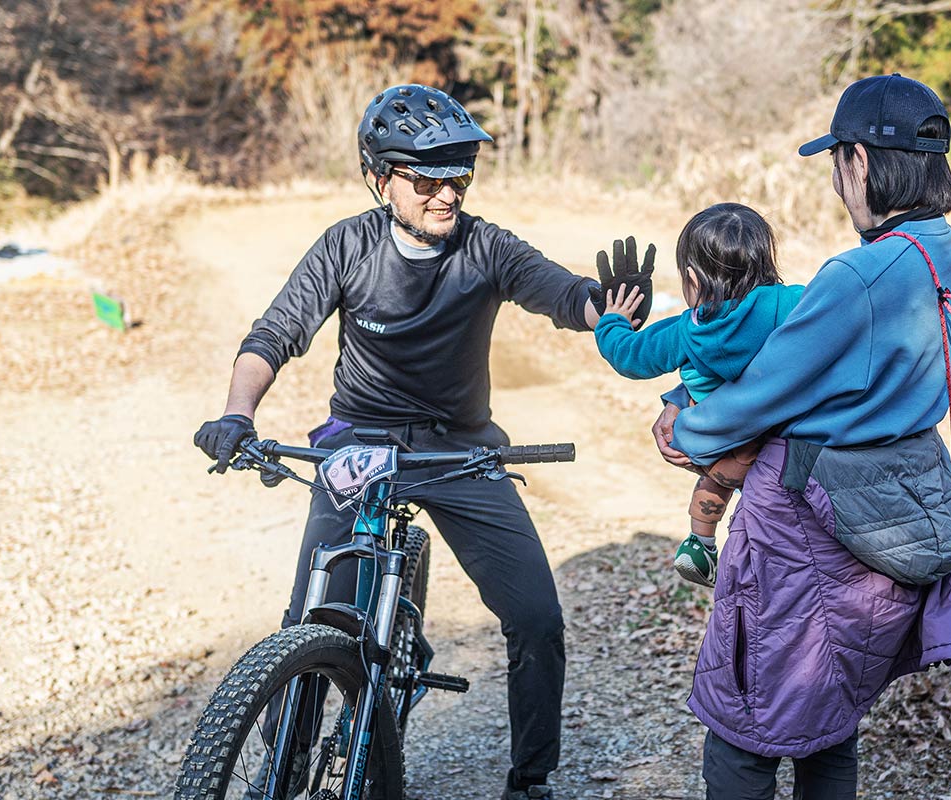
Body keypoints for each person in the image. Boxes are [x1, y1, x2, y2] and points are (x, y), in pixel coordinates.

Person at [192, 83, 654, 800]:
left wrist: (609, 307)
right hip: (360, 443)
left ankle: (531, 780)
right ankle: (284, 767)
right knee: (309, 616)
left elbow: (563, 295)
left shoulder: (486, 246)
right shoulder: (348, 244)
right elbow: (274, 335)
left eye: (460, 176)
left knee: (537, 618)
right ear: (381, 178)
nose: (448, 194)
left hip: (460, 449)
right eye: (427, 178)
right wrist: (236, 414)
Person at [649, 74, 951, 799]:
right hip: (888, 508)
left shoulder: (856, 275)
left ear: (859, 161)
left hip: (804, 528)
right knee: (831, 718)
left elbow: (766, 389)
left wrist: (687, 428)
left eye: (836, 163)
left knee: (742, 730)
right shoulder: (940, 247)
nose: (835, 182)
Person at [593, 203, 804, 588]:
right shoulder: (789, 303)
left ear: (691, 277)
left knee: (713, 484)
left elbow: (630, 356)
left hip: (717, 450)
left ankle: (701, 541)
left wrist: (612, 322)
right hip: (778, 444)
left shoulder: (685, 332)